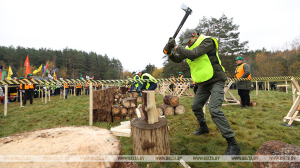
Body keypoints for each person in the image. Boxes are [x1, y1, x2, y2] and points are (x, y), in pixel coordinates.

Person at [164, 29, 240, 155]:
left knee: (214, 110)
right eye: (186, 43)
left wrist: (176, 46)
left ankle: (233, 143)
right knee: (195, 106)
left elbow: (195, 54)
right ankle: (204, 127)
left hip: (216, 80)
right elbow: (178, 59)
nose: (187, 44)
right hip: (204, 83)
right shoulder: (190, 47)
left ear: (195, 36)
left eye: (189, 41)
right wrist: (170, 52)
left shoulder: (207, 41)